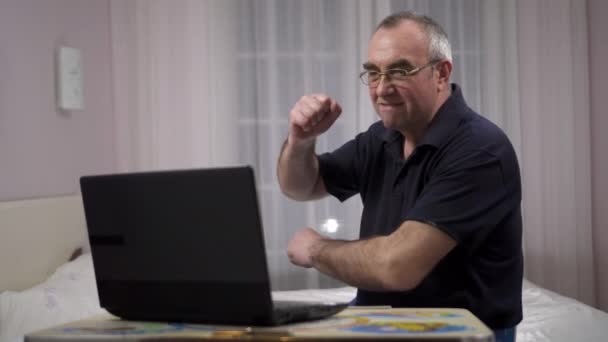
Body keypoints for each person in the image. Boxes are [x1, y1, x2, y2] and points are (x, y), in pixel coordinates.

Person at [276, 10, 522, 342]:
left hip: (461, 334)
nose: (381, 88)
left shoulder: (480, 150)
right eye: (373, 73)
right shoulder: (381, 138)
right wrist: (300, 141)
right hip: (381, 325)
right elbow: (301, 186)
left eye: (400, 70)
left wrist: (316, 249)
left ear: (440, 73)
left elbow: (397, 267)